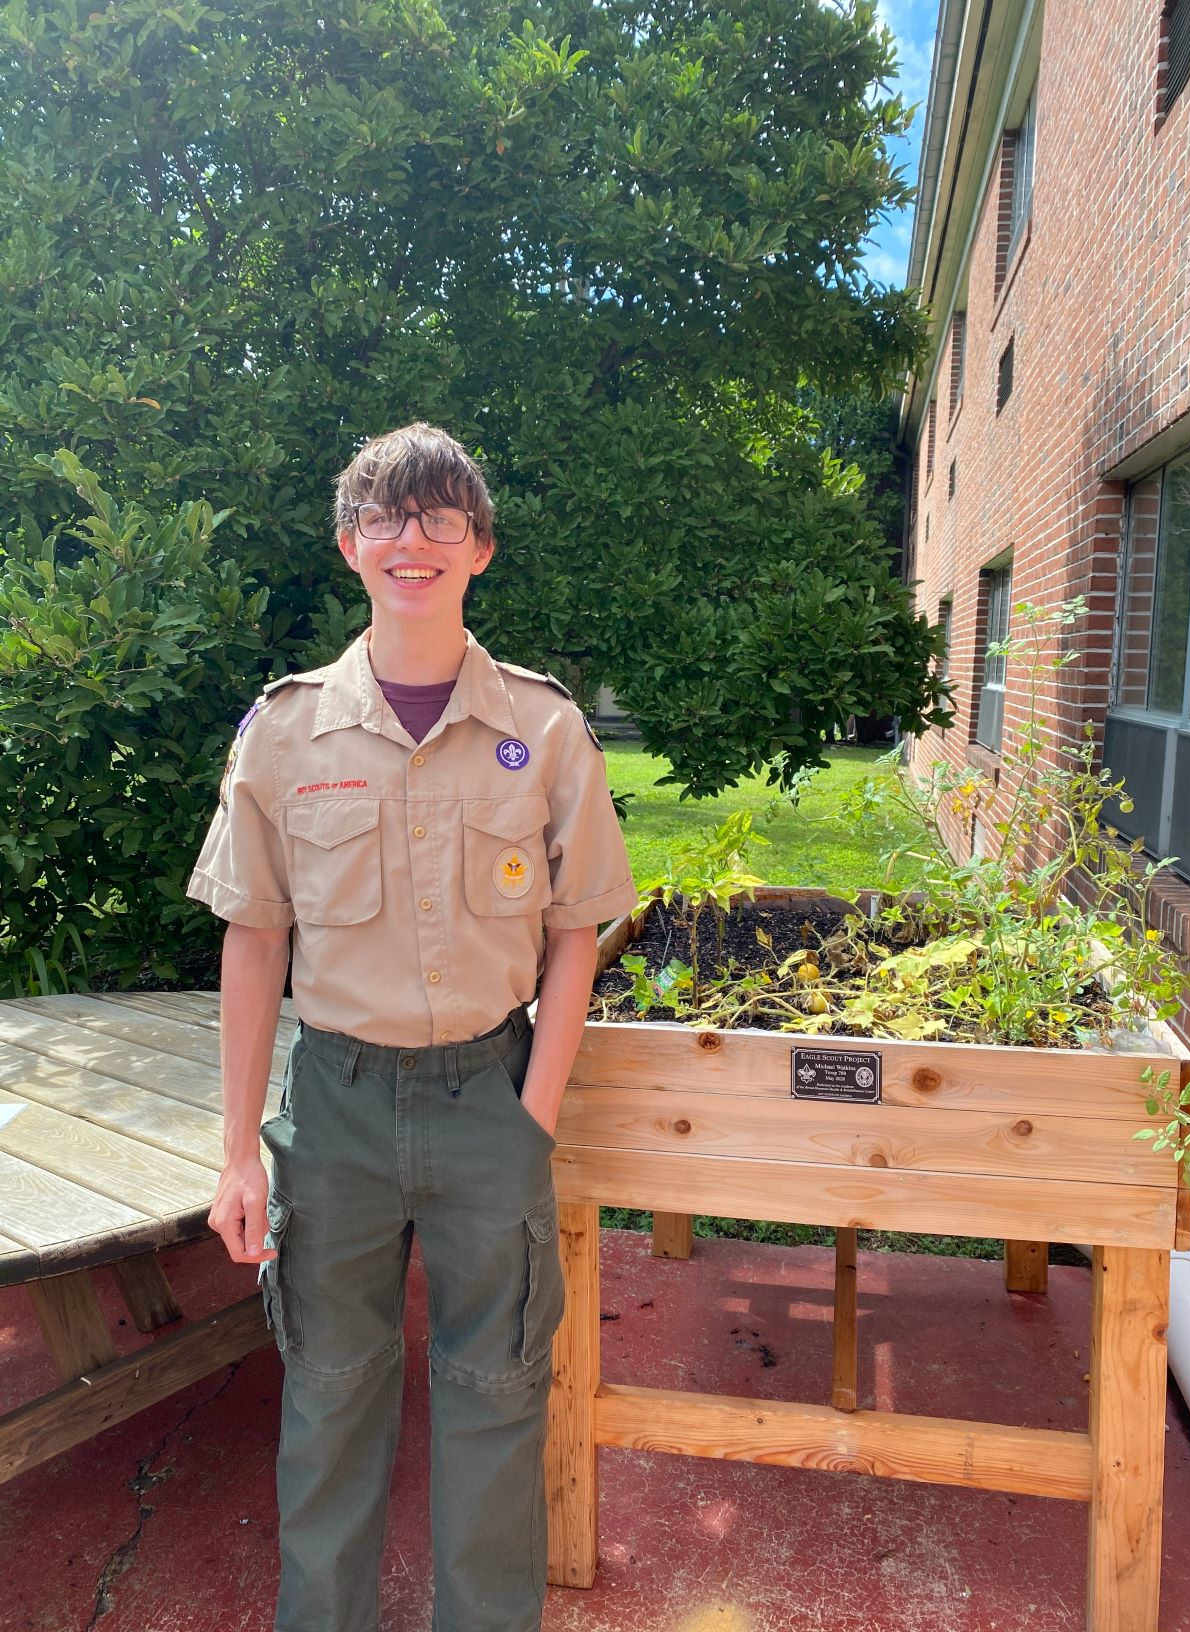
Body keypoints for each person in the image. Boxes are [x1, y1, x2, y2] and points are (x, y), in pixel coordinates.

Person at [187, 422, 637, 1632]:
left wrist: (530, 1117)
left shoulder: (542, 729)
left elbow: (578, 929)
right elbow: (253, 936)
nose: (413, 542)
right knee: (330, 1396)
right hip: (333, 1109)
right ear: (350, 548)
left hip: (486, 1097)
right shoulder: (286, 733)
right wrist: (238, 1149)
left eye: (442, 519)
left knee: (496, 1393)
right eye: (387, 519)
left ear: (480, 549)